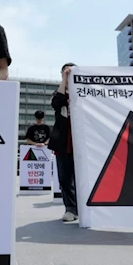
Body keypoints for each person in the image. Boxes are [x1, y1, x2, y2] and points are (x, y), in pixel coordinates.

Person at [48, 63, 77, 222]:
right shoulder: (59, 93)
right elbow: (56, 103)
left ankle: (84, 208)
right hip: (63, 143)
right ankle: (70, 209)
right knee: (65, 179)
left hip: (81, 144)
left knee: (82, 179)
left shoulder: (84, 93)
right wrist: (65, 79)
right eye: (65, 72)